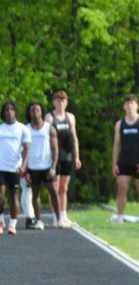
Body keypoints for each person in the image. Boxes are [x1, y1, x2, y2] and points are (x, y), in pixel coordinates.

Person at [112, 95, 139, 227]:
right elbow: (116, 144)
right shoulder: (120, 124)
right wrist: (114, 164)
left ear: (137, 106)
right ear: (124, 107)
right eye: (127, 104)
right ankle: (120, 217)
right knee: (121, 189)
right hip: (124, 162)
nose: (130, 106)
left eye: (132, 103)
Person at [45, 89, 81, 227]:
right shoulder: (49, 118)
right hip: (54, 157)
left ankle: (64, 216)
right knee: (54, 188)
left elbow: (74, 138)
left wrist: (77, 157)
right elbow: (46, 138)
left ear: (66, 102)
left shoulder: (70, 117)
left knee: (63, 188)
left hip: (68, 156)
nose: (60, 103)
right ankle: (56, 217)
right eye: (58, 100)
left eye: (63, 100)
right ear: (54, 102)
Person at [24, 102, 60, 229]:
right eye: (32, 110)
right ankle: (39, 220)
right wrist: (25, 170)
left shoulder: (49, 128)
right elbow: (22, 150)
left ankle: (58, 219)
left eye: (37, 110)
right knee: (35, 194)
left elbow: (55, 149)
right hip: (32, 167)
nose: (35, 112)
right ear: (29, 113)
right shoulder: (26, 129)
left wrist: (53, 167)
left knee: (53, 191)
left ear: (41, 112)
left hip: (47, 166)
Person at [0, 101, 31, 237]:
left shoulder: (23, 129)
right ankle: (1, 220)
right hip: (1, 166)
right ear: (3, 113)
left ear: (15, 112)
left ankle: (12, 224)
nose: (9, 112)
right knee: (0, 194)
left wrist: (24, 166)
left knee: (13, 195)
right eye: (6, 110)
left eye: (11, 109)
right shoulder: (1, 129)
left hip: (15, 167)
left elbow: (27, 149)